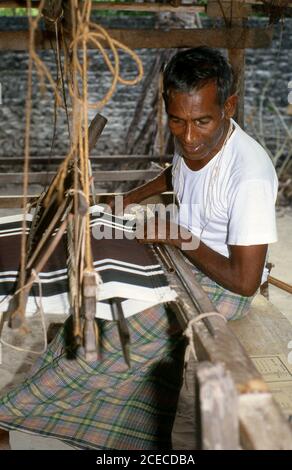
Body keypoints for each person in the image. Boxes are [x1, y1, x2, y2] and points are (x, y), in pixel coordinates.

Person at [121, 46, 278, 321]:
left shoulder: (249, 176)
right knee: (110, 285)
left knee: (120, 322)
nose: (189, 137)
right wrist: (129, 198)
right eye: (177, 121)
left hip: (225, 288)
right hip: (183, 258)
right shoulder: (195, 142)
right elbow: (177, 174)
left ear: (228, 106)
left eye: (201, 121)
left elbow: (244, 283)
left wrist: (178, 236)